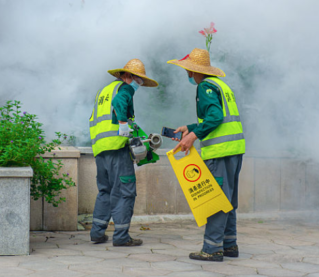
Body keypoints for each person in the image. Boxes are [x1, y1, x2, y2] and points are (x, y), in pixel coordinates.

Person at [167, 48, 245, 261]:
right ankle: (229, 245)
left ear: (193, 71)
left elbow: (215, 117)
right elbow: (218, 118)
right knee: (228, 200)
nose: (188, 75)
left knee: (216, 199)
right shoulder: (221, 85)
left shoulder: (205, 86)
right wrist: (190, 127)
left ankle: (212, 249)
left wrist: (193, 136)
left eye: (188, 71)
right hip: (234, 150)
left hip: (220, 152)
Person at [89, 59, 158, 246]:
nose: (139, 85)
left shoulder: (103, 91)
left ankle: (97, 233)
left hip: (100, 148)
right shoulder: (124, 89)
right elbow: (120, 103)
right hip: (117, 148)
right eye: (139, 80)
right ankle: (121, 237)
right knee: (124, 192)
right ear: (127, 76)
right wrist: (122, 123)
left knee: (105, 190)